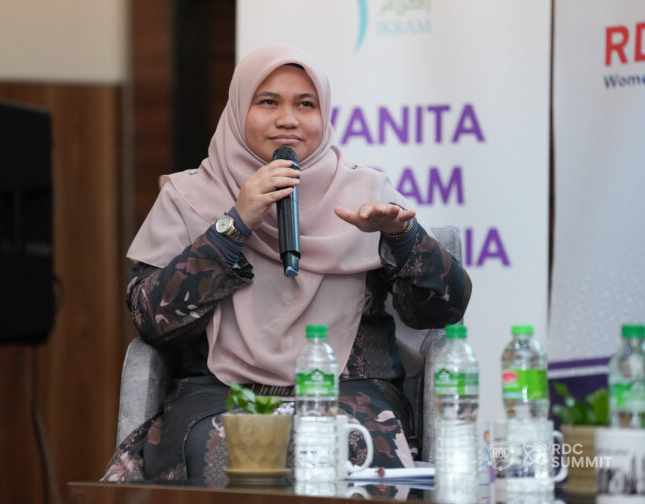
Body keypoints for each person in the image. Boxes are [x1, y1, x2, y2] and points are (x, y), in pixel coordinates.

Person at [101, 45, 471, 484]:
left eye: (305, 105)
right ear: (239, 110)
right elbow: (150, 317)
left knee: (354, 447)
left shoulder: (367, 191)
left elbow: (443, 310)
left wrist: (402, 237)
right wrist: (234, 225)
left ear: (324, 114)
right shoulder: (189, 196)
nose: (288, 119)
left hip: (350, 393)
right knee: (218, 450)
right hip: (219, 393)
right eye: (268, 102)